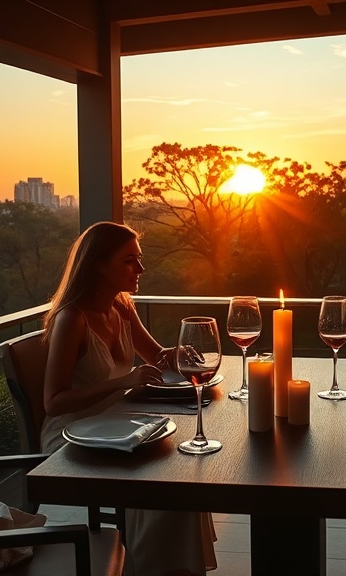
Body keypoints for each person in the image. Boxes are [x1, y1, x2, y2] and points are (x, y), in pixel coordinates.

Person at [41, 221, 217, 576]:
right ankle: (151, 567)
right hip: (72, 435)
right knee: (161, 481)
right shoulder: (71, 319)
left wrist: (177, 351)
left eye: (139, 259)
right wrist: (122, 382)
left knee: (182, 471)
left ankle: (172, 568)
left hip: (120, 426)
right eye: (128, 261)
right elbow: (53, 402)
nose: (140, 269)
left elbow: (155, 356)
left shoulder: (122, 306)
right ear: (97, 265)